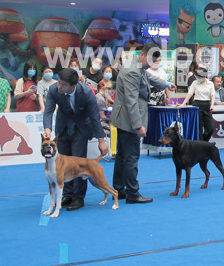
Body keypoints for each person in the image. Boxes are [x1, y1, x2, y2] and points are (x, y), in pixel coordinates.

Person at [41, 68, 109, 211]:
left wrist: (101, 141)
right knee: (62, 163)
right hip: (62, 129)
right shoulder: (53, 90)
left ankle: (78, 198)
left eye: (63, 84)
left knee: (78, 164)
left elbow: (95, 117)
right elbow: (48, 111)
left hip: (81, 129)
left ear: (73, 86)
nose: (59, 86)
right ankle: (67, 195)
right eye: (59, 82)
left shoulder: (87, 93)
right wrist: (47, 129)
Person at [111, 44, 171, 204]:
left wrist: (165, 84)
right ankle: (132, 193)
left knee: (122, 156)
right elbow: (131, 100)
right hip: (129, 119)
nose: (151, 64)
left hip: (123, 118)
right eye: (150, 60)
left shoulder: (136, 64)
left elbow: (148, 77)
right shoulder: (132, 70)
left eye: (154, 61)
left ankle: (119, 190)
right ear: (142, 54)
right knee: (131, 157)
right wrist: (138, 125)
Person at [183, 66, 216, 142]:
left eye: (199, 77)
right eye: (197, 76)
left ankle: (204, 142)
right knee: (198, 128)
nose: (198, 78)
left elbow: (213, 95)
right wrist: (183, 104)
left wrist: (212, 105)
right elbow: (190, 94)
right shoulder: (194, 83)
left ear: (204, 76)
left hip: (207, 105)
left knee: (211, 128)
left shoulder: (210, 83)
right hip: (197, 104)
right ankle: (201, 144)